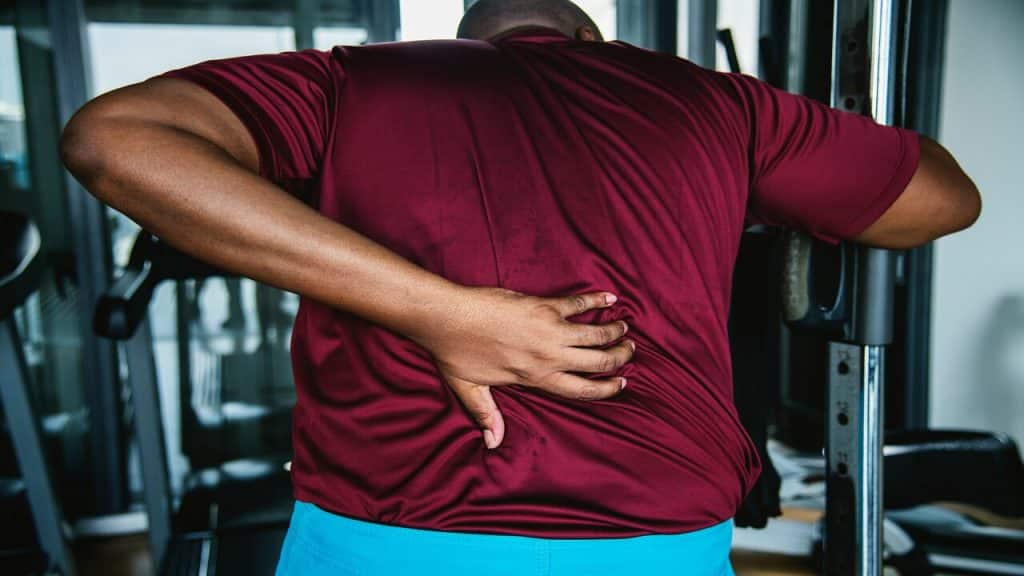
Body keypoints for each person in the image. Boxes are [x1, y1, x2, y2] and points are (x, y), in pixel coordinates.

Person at [60, 0, 980, 574]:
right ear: (592, 40)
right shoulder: (713, 101)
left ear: (464, 36)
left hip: (386, 540)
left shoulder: (359, 82)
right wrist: (454, 315)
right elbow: (943, 198)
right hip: (654, 547)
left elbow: (114, 138)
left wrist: (433, 309)